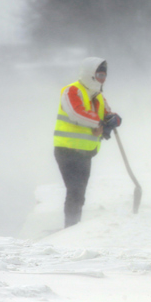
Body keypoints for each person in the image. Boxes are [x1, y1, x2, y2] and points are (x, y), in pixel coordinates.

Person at [53, 57, 121, 228]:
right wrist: (99, 123)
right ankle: (70, 227)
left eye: (104, 75)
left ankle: (74, 227)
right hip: (67, 151)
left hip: (85, 152)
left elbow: (108, 115)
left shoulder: (98, 97)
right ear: (89, 74)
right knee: (75, 191)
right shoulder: (72, 91)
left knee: (79, 192)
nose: (102, 79)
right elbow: (76, 113)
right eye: (99, 74)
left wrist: (113, 120)